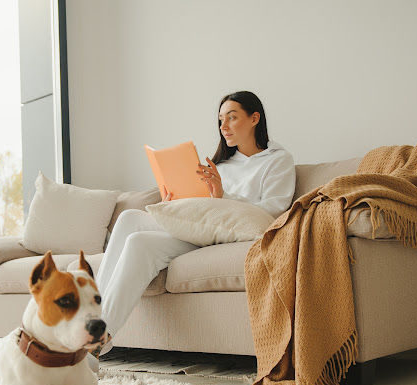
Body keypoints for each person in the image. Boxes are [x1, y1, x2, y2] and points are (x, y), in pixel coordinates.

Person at [89, 90, 296, 369]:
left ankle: (95, 341)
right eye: (220, 120)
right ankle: (93, 328)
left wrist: (222, 195)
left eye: (232, 118)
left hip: (225, 237)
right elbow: (202, 205)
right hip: (197, 230)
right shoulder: (220, 163)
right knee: (129, 222)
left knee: (138, 237)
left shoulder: (277, 160)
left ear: (254, 118)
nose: (223, 127)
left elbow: (273, 211)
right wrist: (177, 200)